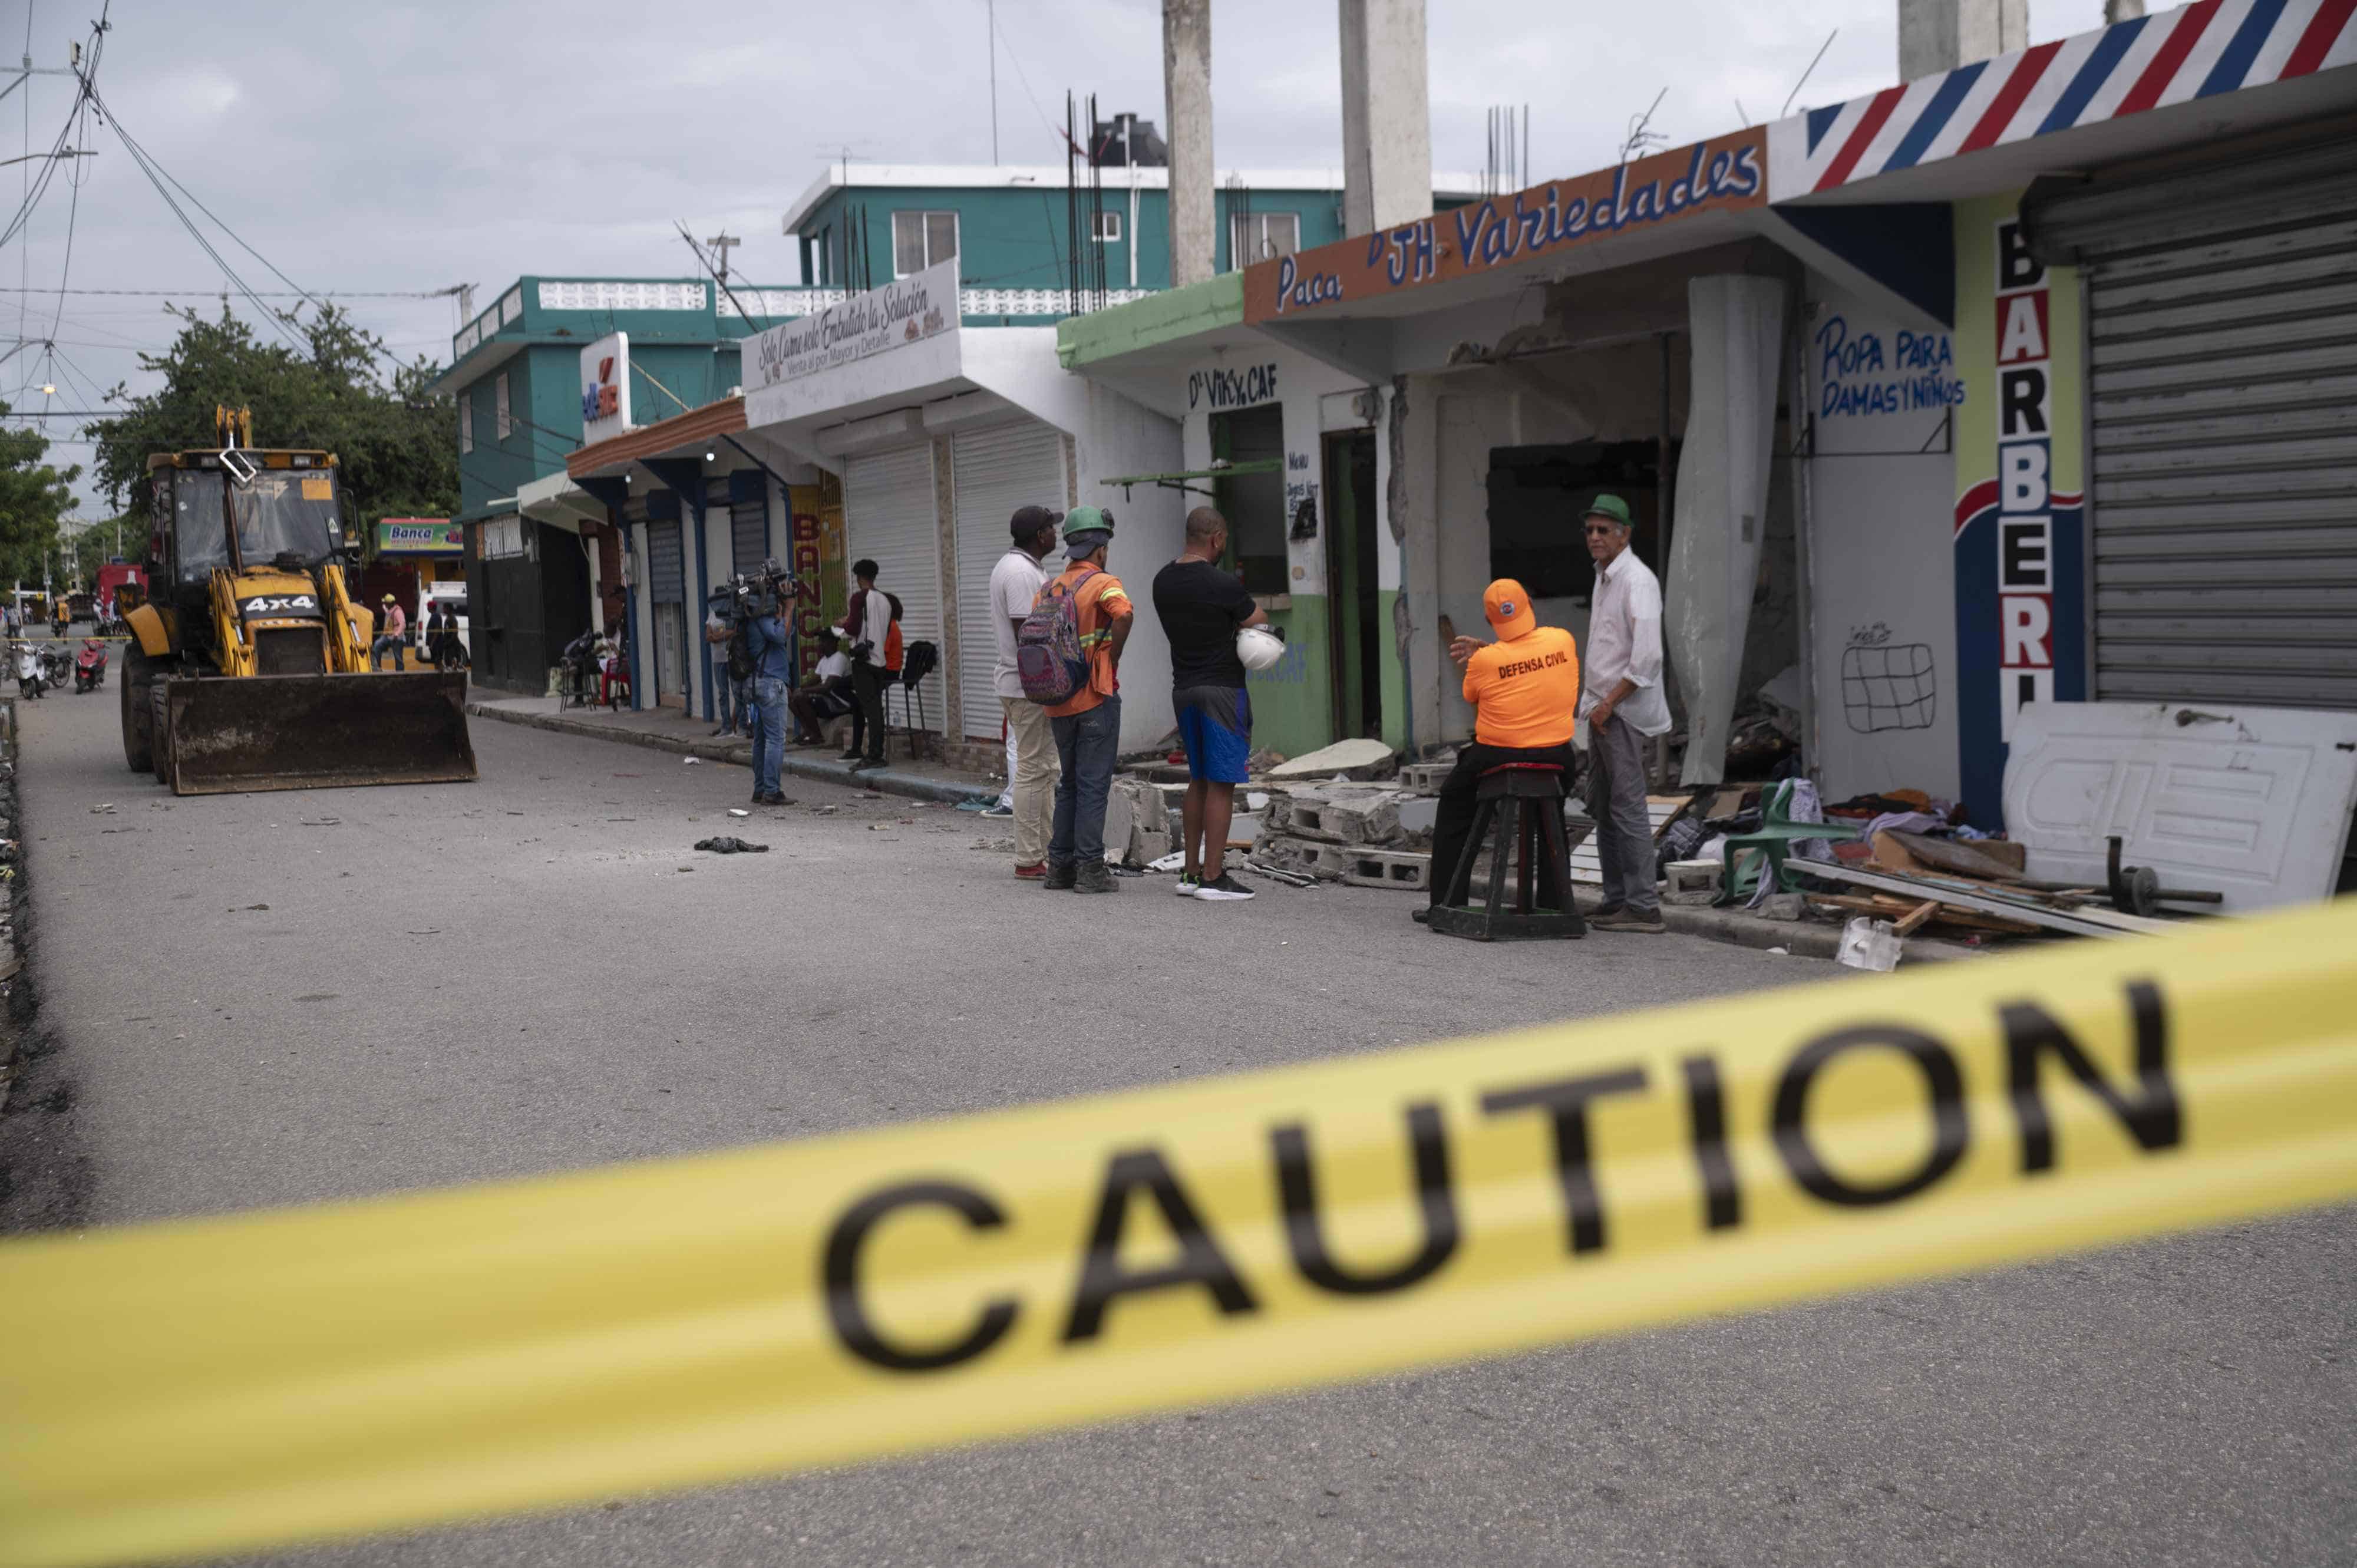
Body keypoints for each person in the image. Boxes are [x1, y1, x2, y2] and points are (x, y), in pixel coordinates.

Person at [1428, 579, 1583, 919]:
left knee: (1455, 801)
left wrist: (1486, 652)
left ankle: (1446, 903)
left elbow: (1475, 694)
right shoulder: (1562, 640)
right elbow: (1530, 663)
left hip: (1499, 755)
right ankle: (1553, 903)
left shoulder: (1485, 660)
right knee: (1551, 813)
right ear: (1529, 603)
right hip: (1557, 755)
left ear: (1489, 619)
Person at [1151, 505, 1267, 902]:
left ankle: (1190, 873)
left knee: (1197, 779)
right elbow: (1260, 621)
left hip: (1182, 689)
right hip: (1221, 690)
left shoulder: (1162, 581)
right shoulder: (1222, 584)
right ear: (1216, 538)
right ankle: (1215, 877)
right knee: (1222, 782)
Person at [1573, 494, 1671, 932]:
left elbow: (1647, 658)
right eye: (1590, 529)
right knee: (1605, 807)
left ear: (1624, 534)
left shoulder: (1637, 580)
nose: (1595, 537)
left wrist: (1611, 702)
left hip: (1623, 713)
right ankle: (1616, 899)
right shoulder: (1605, 576)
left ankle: (1644, 906)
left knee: (1628, 808)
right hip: (1602, 709)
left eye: (1603, 530)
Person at [1036, 507, 1134, 894]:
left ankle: (1059, 868)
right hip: (1095, 697)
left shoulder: (1048, 588)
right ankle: (1091, 870)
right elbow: (1124, 613)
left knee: (1069, 784)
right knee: (1093, 785)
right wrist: (1114, 656)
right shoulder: (1104, 583)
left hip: (1057, 701)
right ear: (1101, 547)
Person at [990, 503, 1061, 879]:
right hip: (1027, 686)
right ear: (1039, 536)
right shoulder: (1019, 572)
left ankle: (1045, 851)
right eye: (1052, 528)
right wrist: (1052, 682)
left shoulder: (1026, 566)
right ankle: (1029, 857)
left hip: (1026, 684)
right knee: (1035, 769)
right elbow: (1028, 634)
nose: (1056, 534)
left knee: (1046, 768)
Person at [840, 559, 902, 773]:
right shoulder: (886, 600)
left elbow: (853, 628)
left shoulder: (859, 598)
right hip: (880, 662)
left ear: (859, 577)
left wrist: (842, 625)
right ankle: (877, 753)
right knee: (876, 708)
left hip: (863, 661)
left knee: (871, 709)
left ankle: (874, 755)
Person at [741, 585, 794, 806]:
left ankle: (760, 789)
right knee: (775, 739)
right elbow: (780, 636)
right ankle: (772, 791)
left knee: (762, 738)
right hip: (771, 683)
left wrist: (782, 615)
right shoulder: (762, 618)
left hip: (759, 683)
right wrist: (789, 609)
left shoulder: (753, 618)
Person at [787, 631, 854, 744]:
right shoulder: (824, 660)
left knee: (802, 698)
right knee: (792, 700)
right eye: (820, 641)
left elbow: (827, 687)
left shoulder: (840, 658)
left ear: (833, 643)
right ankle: (808, 731)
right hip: (827, 699)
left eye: (823, 641)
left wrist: (802, 691)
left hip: (839, 702)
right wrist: (797, 689)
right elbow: (816, 679)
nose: (820, 644)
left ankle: (817, 736)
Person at [703, 603, 741, 738]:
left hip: (732, 658)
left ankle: (740, 725)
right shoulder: (713, 614)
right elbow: (708, 637)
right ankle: (726, 727)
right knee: (723, 694)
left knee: (738, 692)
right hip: (718, 661)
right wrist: (724, 635)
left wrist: (717, 636)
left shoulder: (731, 612)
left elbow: (735, 631)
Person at [371, 594, 408, 671]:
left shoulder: (398, 612)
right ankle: (377, 668)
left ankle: (400, 674)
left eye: (386, 603)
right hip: (387, 636)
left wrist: (397, 634)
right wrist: (383, 606)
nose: (385, 604)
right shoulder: (390, 610)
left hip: (396, 637)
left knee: (398, 657)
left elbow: (403, 624)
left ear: (391, 604)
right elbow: (387, 611)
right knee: (377, 645)